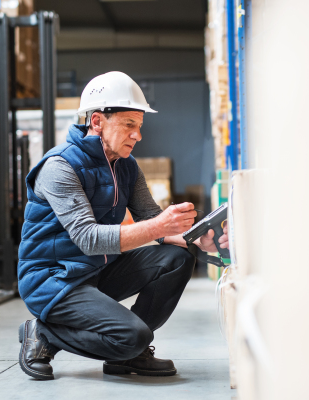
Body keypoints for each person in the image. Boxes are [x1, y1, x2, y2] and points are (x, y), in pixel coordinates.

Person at [17, 71, 229, 380]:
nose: (137, 135)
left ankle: (127, 356)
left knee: (178, 258)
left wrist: (197, 239)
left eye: (139, 126)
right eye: (129, 125)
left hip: (96, 271)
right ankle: (44, 333)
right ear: (98, 122)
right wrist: (159, 227)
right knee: (133, 337)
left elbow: (150, 218)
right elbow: (89, 239)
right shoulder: (59, 166)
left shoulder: (126, 167)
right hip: (53, 280)